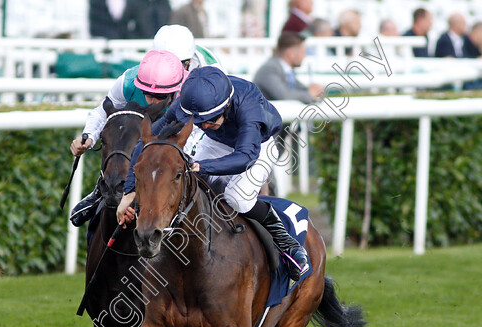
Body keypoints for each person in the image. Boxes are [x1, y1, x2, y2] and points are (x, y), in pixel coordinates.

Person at [118, 67, 309, 281]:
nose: (206, 125)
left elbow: (245, 157)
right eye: (200, 121)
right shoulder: (188, 103)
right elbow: (146, 144)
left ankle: (288, 245)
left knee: (238, 198)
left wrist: (203, 166)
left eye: (210, 119)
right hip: (216, 142)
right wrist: (129, 191)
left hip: (257, 147)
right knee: (188, 187)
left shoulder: (249, 107)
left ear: (227, 105)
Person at [68, 24, 224, 226]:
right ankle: (103, 187)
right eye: (148, 94)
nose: (152, 99)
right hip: (164, 118)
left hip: (204, 126)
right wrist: (89, 135)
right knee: (123, 132)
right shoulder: (132, 78)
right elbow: (102, 110)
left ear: (186, 65)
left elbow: (200, 134)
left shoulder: (203, 85)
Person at [254, 31, 323, 104]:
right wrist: (310, 94)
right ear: (291, 53)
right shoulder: (269, 69)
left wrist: (315, 90)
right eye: (302, 52)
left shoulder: (286, 70)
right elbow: (284, 95)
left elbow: (300, 90)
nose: (304, 56)